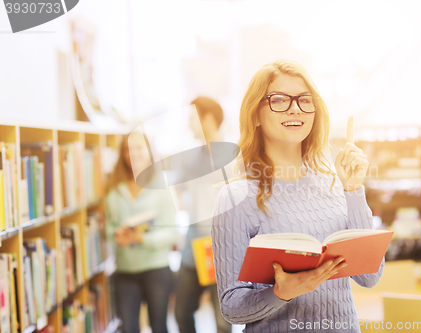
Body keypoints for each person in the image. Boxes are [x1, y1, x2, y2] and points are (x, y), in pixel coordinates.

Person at [211, 59, 384, 333]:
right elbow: (232, 308)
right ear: (255, 115)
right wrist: (280, 293)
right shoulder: (235, 198)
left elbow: (370, 276)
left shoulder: (335, 184)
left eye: (305, 100)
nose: (295, 108)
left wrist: (353, 190)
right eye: (279, 100)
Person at [105, 131, 179, 333]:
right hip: (125, 271)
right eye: (128, 149)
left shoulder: (161, 187)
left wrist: (142, 239)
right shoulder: (114, 189)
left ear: (148, 151)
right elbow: (108, 226)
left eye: (138, 148)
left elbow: (172, 233)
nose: (133, 154)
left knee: (158, 326)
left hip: (156, 268)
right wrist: (115, 235)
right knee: (128, 328)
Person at [174, 97, 232, 333]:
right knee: (181, 313)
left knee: (222, 321)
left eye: (192, 119)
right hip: (192, 250)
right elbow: (178, 195)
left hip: (221, 251)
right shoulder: (189, 158)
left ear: (207, 119)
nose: (189, 125)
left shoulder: (233, 157)